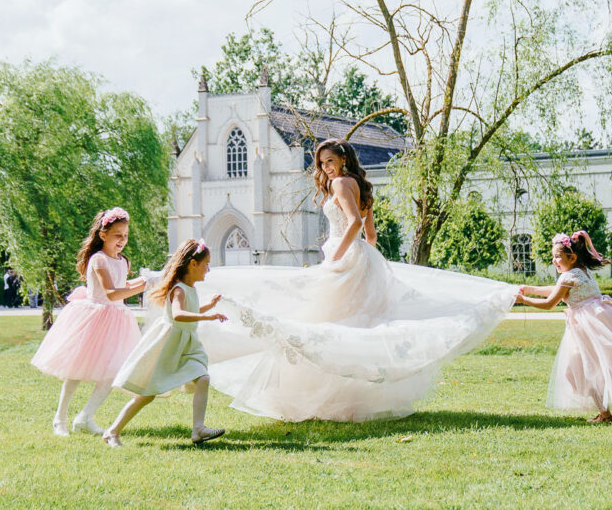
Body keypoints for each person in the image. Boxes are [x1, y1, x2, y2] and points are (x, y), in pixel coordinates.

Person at [196, 138, 519, 422]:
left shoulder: (340, 185)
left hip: (346, 257)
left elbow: (351, 222)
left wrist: (337, 256)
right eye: (322, 164)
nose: (327, 169)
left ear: (344, 160)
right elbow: (372, 235)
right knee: (353, 325)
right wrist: (363, 259)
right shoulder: (361, 186)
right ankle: (353, 400)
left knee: (327, 322)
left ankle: (336, 399)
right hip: (361, 258)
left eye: (331, 162)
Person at [31, 207, 145, 436]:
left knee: (112, 373)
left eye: (125, 235)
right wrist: (144, 285)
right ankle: (59, 419)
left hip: (117, 320)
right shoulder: (99, 259)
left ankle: (85, 417)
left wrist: (147, 280)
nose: (122, 240)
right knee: (76, 370)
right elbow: (111, 293)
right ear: (103, 235)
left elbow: (124, 286)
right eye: (117, 235)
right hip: (95, 318)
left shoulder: (123, 261)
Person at [103, 239, 227, 447]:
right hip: (169, 346)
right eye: (206, 264)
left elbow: (191, 311)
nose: (208, 269)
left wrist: (208, 306)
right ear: (192, 264)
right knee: (147, 394)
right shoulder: (178, 289)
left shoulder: (190, 288)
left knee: (203, 378)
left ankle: (198, 428)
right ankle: (112, 431)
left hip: (187, 345)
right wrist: (208, 317)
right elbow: (178, 315)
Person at [516, 230, 612, 423]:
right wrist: (530, 289)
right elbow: (558, 290)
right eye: (553, 257)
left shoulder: (568, 276)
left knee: (584, 370)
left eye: (558, 257)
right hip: (598, 322)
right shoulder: (581, 271)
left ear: (571, 257)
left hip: (587, 327)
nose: (554, 261)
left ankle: (605, 414)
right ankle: (604, 414)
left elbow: (549, 303)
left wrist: (524, 299)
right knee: (604, 366)